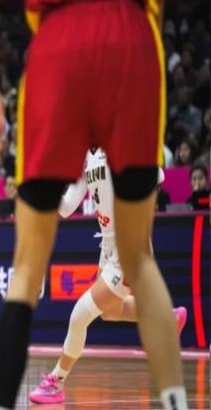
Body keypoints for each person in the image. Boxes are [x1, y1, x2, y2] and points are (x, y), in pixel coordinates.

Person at [0, 0, 208, 410]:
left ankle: (29, 391)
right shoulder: (88, 163)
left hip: (60, 40)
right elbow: (68, 205)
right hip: (131, 40)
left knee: (29, 270)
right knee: (136, 271)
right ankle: (176, 398)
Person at [28, 149, 187, 404]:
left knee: (79, 316)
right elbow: (67, 207)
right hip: (108, 247)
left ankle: (56, 381)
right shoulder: (85, 156)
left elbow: (156, 176)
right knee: (111, 311)